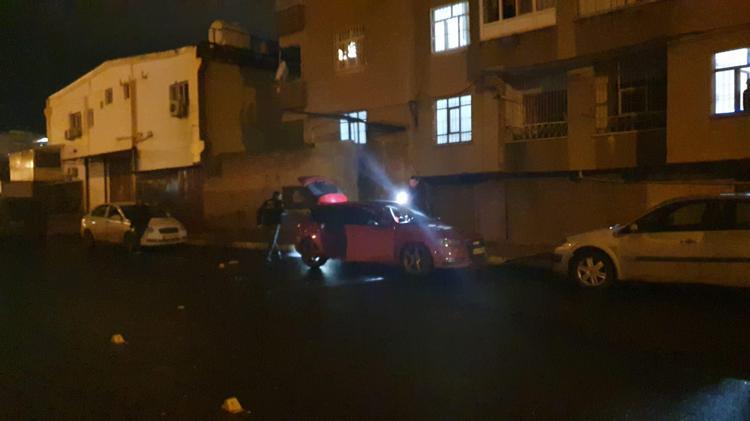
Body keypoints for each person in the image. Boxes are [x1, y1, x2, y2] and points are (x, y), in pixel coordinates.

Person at [257, 191, 285, 262]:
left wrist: (259, 222)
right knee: (272, 239)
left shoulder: (267, 202)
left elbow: (260, 211)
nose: (280, 197)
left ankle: (269, 255)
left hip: (267, 223)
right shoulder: (280, 203)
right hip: (275, 223)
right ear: (278, 196)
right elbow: (283, 211)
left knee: (272, 239)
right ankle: (274, 253)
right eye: (280, 196)